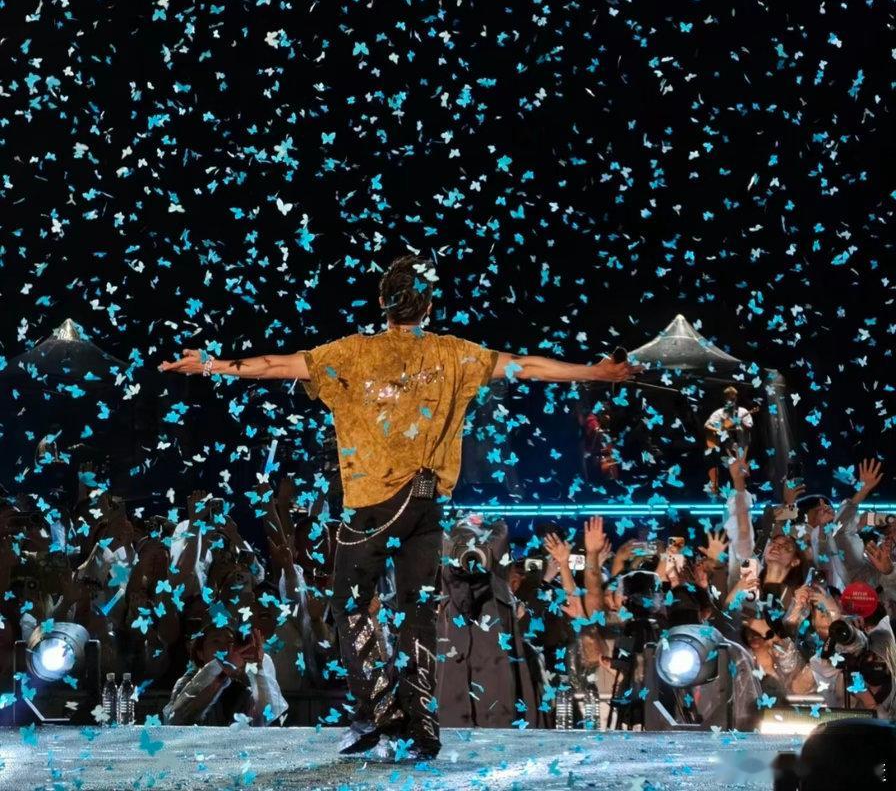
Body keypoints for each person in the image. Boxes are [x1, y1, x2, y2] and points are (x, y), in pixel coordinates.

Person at [160, 253, 638, 759]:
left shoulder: (353, 353)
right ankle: (422, 725)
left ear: (383, 304)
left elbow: (275, 365)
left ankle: (377, 714)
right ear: (427, 305)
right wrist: (596, 371)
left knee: (350, 603)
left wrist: (209, 363)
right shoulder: (456, 354)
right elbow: (529, 367)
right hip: (427, 506)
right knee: (417, 614)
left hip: (373, 506)